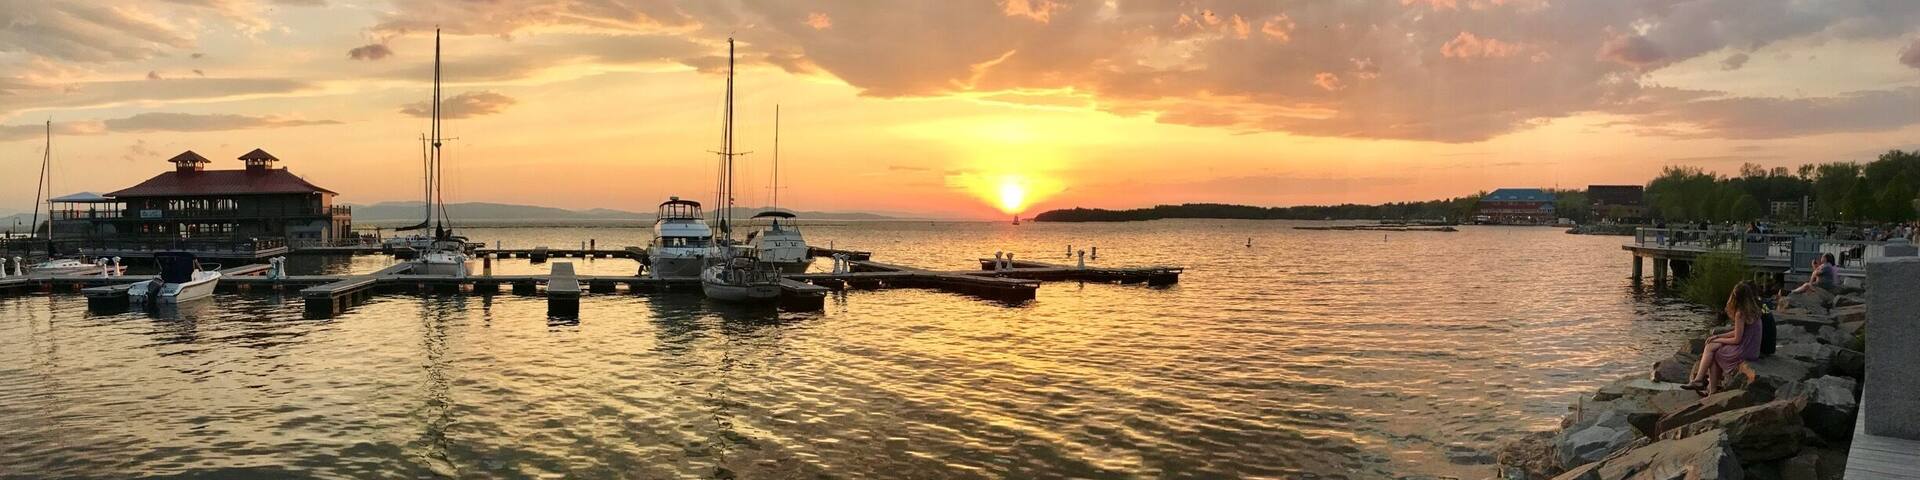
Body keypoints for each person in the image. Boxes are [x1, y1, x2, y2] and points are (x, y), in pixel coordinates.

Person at [1683, 281, 1763, 395]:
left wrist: (1719, 339)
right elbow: (1739, 332)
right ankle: (1706, 385)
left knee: (1714, 352)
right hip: (1752, 349)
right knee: (1712, 346)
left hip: (1744, 350)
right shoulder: (1755, 310)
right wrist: (1718, 336)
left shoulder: (1740, 313)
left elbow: (1737, 339)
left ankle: (1704, 384)